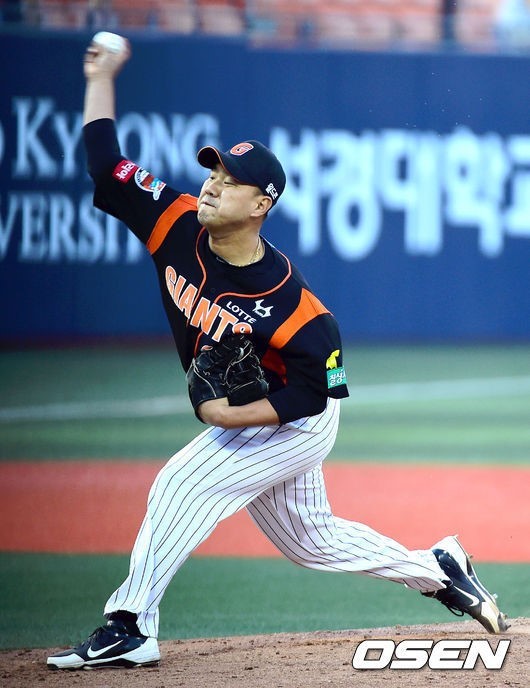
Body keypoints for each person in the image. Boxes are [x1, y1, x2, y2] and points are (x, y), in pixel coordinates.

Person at [47, 35, 508, 670]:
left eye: (231, 182)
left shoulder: (294, 306)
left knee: (181, 483)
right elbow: (105, 163)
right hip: (259, 408)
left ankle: (130, 624)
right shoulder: (173, 219)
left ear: (261, 205)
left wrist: (227, 417)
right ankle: (438, 568)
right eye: (213, 173)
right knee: (311, 543)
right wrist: (100, 76)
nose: (212, 187)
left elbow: (314, 394)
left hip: (295, 417)